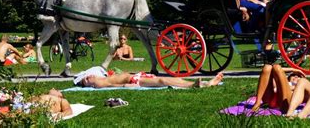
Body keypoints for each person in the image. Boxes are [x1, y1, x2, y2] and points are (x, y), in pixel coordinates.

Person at [79, 71, 224, 88]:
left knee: (172, 79)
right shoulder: (97, 83)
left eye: (87, 76)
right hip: (134, 81)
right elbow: (113, 86)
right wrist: (126, 87)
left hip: (136, 77)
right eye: (86, 80)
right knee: (163, 81)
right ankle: (194, 85)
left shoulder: (100, 76)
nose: (88, 77)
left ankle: (206, 84)